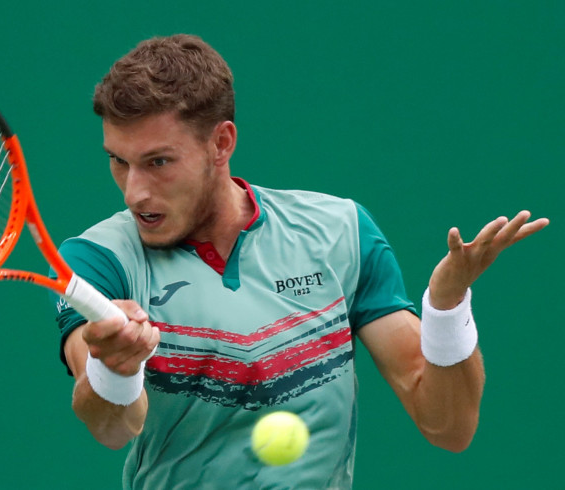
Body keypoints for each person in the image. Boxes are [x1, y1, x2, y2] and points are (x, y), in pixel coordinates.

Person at [51, 34, 549, 489]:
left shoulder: (339, 233)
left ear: (221, 143)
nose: (135, 191)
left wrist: (446, 306)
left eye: (158, 162)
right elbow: (112, 427)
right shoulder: (98, 259)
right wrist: (115, 366)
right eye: (119, 160)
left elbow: (449, 427)